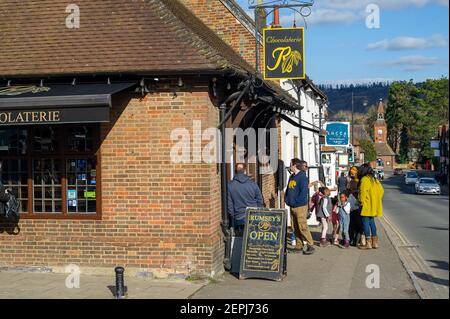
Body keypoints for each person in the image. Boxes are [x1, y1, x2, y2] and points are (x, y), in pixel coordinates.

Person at [285, 159, 315, 255]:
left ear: (295, 166)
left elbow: (303, 193)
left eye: (291, 165)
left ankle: (310, 245)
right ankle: (299, 245)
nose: (289, 166)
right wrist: (287, 199)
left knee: (302, 226)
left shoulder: (302, 177)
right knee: (295, 227)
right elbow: (288, 189)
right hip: (292, 206)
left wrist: (296, 202)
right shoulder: (291, 176)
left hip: (300, 206)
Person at [227, 163, 263, 235]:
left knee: (240, 242)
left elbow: (229, 205)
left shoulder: (229, 185)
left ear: (235, 172)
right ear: (245, 171)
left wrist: (232, 218)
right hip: (253, 216)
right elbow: (260, 201)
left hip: (239, 218)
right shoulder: (253, 184)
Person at [358, 163, 384, 250]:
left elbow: (363, 192)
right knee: (372, 222)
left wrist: (361, 201)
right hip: (373, 204)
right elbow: (381, 190)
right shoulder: (374, 179)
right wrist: (376, 199)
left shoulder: (365, 179)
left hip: (366, 204)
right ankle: (375, 243)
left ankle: (368, 243)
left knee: (365, 222)